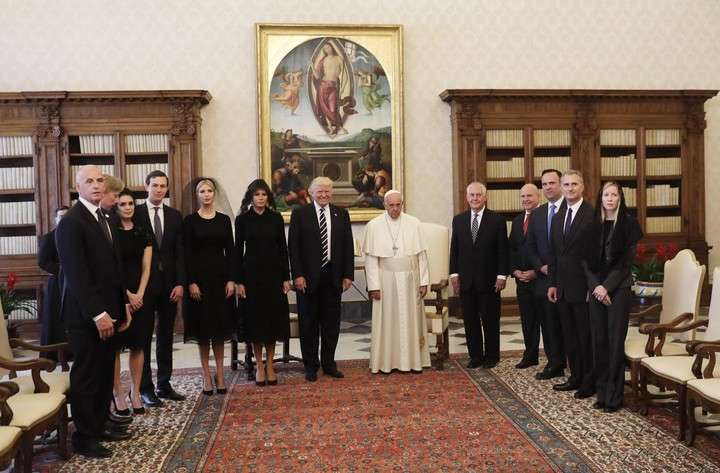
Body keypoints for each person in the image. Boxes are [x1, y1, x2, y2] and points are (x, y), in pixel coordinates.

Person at [55, 165, 132, 458]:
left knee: (103, 372)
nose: (97, 185)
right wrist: (98, 314)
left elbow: (113, 269)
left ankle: (99, 425)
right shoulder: (71, 222)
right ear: (78, 187)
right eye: (90, 181)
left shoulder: (105, 216)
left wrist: (122, 303)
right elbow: (77, 275)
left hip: (110, 310)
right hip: (86, 316)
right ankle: (84, 438)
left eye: (100, 180)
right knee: (88, 374)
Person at [288, 176, 354, 382]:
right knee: (308, 325)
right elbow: (294, 248)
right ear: (311, 193)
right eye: (320, 191)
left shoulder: (341, 214)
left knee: (331, 324)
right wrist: (297, 275)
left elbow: (348, 247)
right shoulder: (300, 214)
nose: (324, 194)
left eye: (327, 191)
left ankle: (329, 364)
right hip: (307, 279)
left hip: (333, 277)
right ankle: (310, 366)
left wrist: (348, 275)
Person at [584, 182, 642, 412]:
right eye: (606, 194)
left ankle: (615, 397)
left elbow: (625, 263)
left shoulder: (629, 224)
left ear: (620, 198)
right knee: (599, 342)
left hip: (619, 290)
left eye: (614, 194)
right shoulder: (592, 224)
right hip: (596, 289)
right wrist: (596, 287)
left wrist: (606, 288)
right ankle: (602, 393)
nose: (610, 198)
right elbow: (585, 263)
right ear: (601, 197)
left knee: (615, 342)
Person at [363, 190, 431, 373]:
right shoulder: (374, 225)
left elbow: (421, 256)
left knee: (411, 321)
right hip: (385, 281)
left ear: (403, 204)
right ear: (384, 205)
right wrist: (374, 286)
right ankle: (386, 362)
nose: (395, 209)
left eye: (398, 205)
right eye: (391, 205)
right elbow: (370, 260)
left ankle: (413, 362)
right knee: (387, 322)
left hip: (410, 279)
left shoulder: (414, 223)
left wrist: (424, 282)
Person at [134, 170, 186, 406]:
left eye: (163, 186)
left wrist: (180, 283)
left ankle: (164, 384)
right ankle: (145, 388)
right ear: (146, 186)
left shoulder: (175, 216)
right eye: (154, 185)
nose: (159, 190)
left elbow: (180, 254)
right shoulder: (135, 213)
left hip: (169, 286)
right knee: (144, 338)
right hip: (144, 286)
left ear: (167, 189)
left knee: (166, 337)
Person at [234, 179, 291, 386]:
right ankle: (258, 364)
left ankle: (269, 364)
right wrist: (239, 281)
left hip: (274, 276)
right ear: (251, 197)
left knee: (272, 321)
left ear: (268, 197)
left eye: (264, 195)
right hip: (250, 277)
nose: (260, 198)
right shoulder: (242, 220)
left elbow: (283, 250)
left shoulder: (275, 219)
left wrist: (286, 277)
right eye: (257, 195)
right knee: (255, 322)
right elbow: (237, 251)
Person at [183, 178, 236, 395]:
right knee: (204, 331)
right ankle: (206, 374)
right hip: (199, 282)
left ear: (215, 194)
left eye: (209, 191)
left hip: (220, 281)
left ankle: (220, 374)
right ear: (197, 195)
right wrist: (191, 282)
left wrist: (231, 279)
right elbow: (186, 254)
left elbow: (231, 251)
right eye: (202, 191)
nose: (206, 194)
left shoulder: (224, 220)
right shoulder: (190, 221)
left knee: (220, 329)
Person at [450, 182, 509, 369]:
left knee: (490, 319)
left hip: (490, 280)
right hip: (466, 280)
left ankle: (492, 356)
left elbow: (502, 250)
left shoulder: (497, 220)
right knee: (470, 320)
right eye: (471, 195)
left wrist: (502, 275)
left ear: (485, 197)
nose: (475, 198)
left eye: (478, 195)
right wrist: (454, 274)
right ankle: (475, 356)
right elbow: (455, 249)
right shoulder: (458, 220)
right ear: (467, 197)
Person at [547, 170, 596, 398]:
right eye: (566, 184)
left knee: (585, 337)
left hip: (583, 289)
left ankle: (589, 381)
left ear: (583, 186)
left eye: (574, 184)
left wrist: (591, 286)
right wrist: (553, 284)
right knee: (570, 336)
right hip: (563, 288)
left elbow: (596, 257)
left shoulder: (592, 214)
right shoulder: (559, 215)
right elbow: (555, 255)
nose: (570, 188)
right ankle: (575, 377)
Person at [112, 189, 153, 416]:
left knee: (139, 345)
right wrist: (127, 294)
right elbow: (111, 268)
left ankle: (135, 392)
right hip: (118, 294)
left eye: (130, 204)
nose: (127, 207)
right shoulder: (111, 232)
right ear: (116, 208)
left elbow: (147, 266)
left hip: (141, 294)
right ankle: (118, 392)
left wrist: (140, 293)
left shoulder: (142, 231)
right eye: (122, 204)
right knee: (116, 347)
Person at [526, 169, 566, 380]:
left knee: (568, 324)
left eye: (552, 183)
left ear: (560, 184)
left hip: (567, 278)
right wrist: (540, 266)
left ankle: (574, 364)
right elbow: (530, 245)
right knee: (548, 325)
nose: (549, 187)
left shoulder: (570, 209)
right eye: (545, 184)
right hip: (543, 278)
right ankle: (554, 363)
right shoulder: (538, 213)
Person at [509, 184, 541, 369]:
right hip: (521, 279)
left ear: (538, 197)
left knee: (547, 322)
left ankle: (554, 360)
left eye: (529, 196)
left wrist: (535, 272)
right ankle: (530, 356)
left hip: (541, 279)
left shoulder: (545, 217)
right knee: (528, 321)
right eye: (523, 196)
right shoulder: (517, 220)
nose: (526, 199)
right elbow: (512, 248)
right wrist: (514, 271)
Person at [38, 206, 69, 359]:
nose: (64, 219)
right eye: (61, 216)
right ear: (55, 219)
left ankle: (71, 352)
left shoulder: (75, 235)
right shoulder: (48, 237)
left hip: (73, 283)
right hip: (56, 283)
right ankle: (52, 354)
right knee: (54, 319)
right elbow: (43, 262)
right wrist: (65, 269)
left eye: (67, 216)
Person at [312, 43, 348, 136]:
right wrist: (312, 67)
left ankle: (339, 127)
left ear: (332, 47)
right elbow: (316, 76)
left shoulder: (338, 58)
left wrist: (343, 89)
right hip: (323, 85)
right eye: (325, 48)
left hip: (333, 85)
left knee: (332, 109)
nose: (327, 49)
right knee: (325, 108)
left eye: (328, 47)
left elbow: (345, 75)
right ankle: (331, 128)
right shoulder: (323, 60)